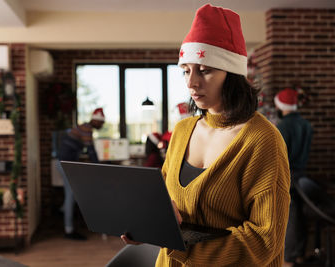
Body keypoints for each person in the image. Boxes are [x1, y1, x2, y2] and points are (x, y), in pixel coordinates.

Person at [122, 4, 291, 266]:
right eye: (186, 70)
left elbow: (265, 240)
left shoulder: (262, 140)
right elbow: (166, 205)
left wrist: (188, 251)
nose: (191, 83)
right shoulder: (181, 131)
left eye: (205, 70)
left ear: (232, 73)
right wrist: (145, 225)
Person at [274, 88, 314, 266]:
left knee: (289, 217)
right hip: (302, 177)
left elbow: (278, 156)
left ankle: (288, 257)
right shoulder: (306, 125)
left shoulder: (282, 127)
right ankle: (299, 253)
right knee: (299, 215)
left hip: (286, 176)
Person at [55, 108, 105, 240]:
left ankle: (63, 211)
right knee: (71, 195)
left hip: (65, 163)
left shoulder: (83, 127)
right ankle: (69, 230)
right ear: (96, 121)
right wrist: (98, 167)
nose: (102, 125)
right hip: (65, 164)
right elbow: (91, 150)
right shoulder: (87, 129)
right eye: (101, 123)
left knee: (73, 194)